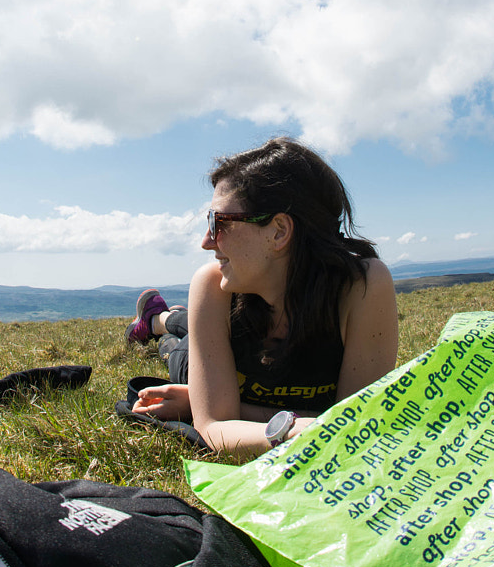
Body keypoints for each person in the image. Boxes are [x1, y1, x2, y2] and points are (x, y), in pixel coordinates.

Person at [127, 138, 399, 455]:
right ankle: (157, 320)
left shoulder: (361, 285)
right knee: (178, 349)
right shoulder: (213, 285)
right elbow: (214, 426)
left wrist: (202, 403)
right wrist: (295, 428)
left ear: (279, 231)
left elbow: (356, 428)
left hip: (230, 377)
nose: (206, 242)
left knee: (190, 339)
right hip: (202, 351)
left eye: (219, 222)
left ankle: (164, 319)